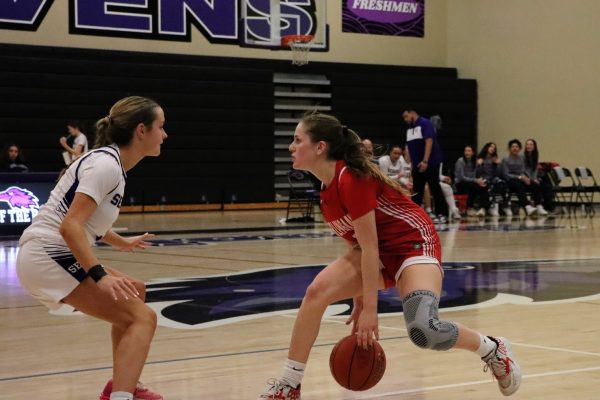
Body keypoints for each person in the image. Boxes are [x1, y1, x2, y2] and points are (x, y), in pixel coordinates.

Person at [258, 112, 521, 399]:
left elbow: (369, 248)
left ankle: (493, 349)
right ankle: (289, 385)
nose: (291, 147)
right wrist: (358, 298)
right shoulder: (325, 190)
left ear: (320, 147)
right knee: (316, 293)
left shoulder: (351, 179)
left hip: (412, 244)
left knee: (424, 330)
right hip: (379, 252)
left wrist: (371, 309)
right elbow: (358, 245)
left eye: (297, 140)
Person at [16, 96, 167, 400]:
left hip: (48, 252)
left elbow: (85, 221)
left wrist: (120, 241)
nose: (165, 134)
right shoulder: (106, 166)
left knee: (134, 291)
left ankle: (124, 384)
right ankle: (122, 396)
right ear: (141, 130)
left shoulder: (110, 163)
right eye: (161, 126)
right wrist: (100, 275)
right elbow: (69, 226)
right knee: (142, 317)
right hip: (47, 253)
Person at [403, 109, 448, 223]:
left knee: (434, 187)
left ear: (412, 112)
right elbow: (409, 146)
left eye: (406, 116)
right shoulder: (409, 129)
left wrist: (425, 161)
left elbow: (429, 141)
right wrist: (410, 161)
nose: (405, 119)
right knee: (417, 190)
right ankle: (416, 215)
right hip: (417, 165)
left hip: (430, 163)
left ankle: (442, 213)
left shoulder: (425, 123)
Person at [501, 139, 548, 216]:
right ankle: (527, 206)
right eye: (513, 146)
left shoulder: (521, 158)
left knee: (534, 184)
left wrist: (527, 178)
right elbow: (505, 174)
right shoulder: (505, 159)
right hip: (510, 180)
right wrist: (519, 177)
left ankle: (539, 206)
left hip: (522, 178)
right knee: (518, 186)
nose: (515, 148)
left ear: (519, 149)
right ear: (510, 149)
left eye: (517, 147)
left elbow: (523, 170)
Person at [476, 142, 511, 217]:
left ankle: (506, 206)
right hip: (484, 178)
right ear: (486, 148)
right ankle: (490, 207)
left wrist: (498, 164)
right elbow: (477, 173)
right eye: (491, 147)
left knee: (503, 183)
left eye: (494, 148)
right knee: (489, 186)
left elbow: (499, 174)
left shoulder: (495, 159)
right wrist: (479, 165)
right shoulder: (480, 159)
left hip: (493, 178)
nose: (492, 148)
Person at [524, 138, 555, 213]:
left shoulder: (535, 157)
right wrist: (532, 179)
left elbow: (535, 170)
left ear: (534, 147)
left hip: (533, 178)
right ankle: (539, 206)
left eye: (531, 144)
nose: (529, 146)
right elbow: (523, 170)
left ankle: (548, 206)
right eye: (527, 144)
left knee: (547, 186)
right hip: (525, 179)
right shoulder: (523, 157)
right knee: (536, 185)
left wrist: (536, 178)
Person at [455, 145, 487, 215]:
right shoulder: (461, 161)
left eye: (469, 151)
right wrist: (475, 180)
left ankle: (483, 208)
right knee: (474, 186)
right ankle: (469, 208)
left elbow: (475, 175)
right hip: (460, 183)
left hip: (470, 182)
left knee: (483, 186)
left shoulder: (474, 161)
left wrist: (479, 181)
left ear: (472, 153)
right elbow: (461, 177)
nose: (467, 153)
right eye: (466, 151)